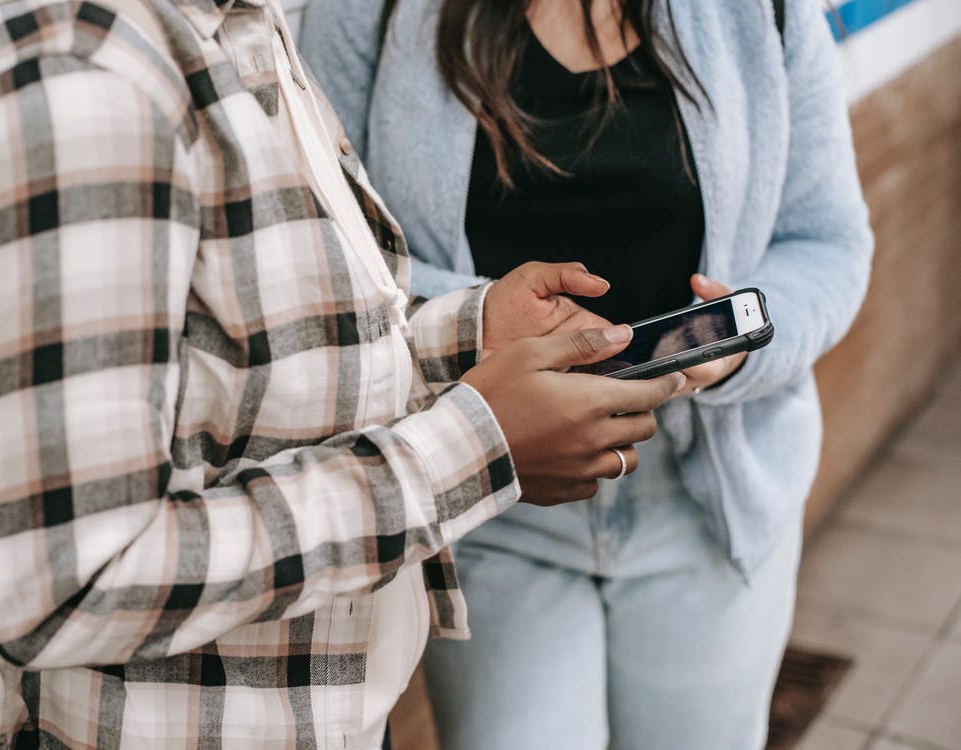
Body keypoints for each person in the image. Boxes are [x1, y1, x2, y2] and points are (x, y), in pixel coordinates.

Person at [0, 0, 685, 746]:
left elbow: (239, 366)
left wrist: (470, 336)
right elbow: (72, 581)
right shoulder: (71, 80)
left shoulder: (220, 25)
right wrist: (475, 449)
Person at [300, 0, 874, 748]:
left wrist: (737, 343)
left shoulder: (761, 12)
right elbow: (333, 260)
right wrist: (482, 324)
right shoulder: (366, 13)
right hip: (487, 495)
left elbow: (825, 240)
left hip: (710, 497)